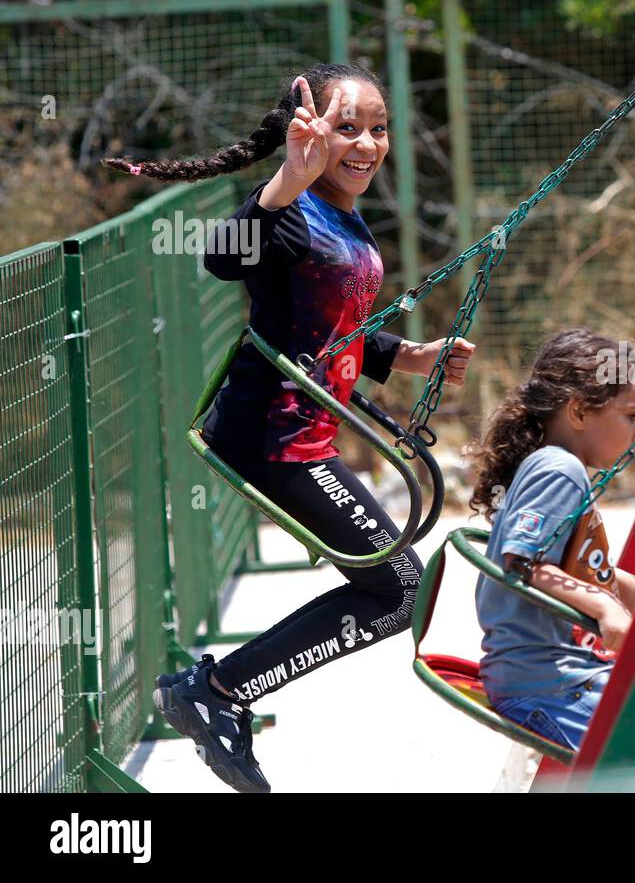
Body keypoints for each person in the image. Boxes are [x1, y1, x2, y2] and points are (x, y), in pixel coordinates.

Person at [105, 63, 475, 793]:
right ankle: (214, 693)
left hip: (305, 438)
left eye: (378, 128)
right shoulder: (292, 208)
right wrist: (284, 185)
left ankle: (216, 693)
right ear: (305, 131)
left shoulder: (342, 210)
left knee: (396, 586)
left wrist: (409, 356)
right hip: (270, 438)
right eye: (347, 128)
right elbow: (222, 258)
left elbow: (329, 323)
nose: (367, 144)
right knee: (398, 589)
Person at [468, 327, 635, 785]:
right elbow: (523, 564)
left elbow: (563, 562)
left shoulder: (551, 464)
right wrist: (606, 606)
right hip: (547, 684)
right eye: (631, 415)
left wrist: (621, 586)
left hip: (560, 675)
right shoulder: (561, 469)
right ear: (577, 410)